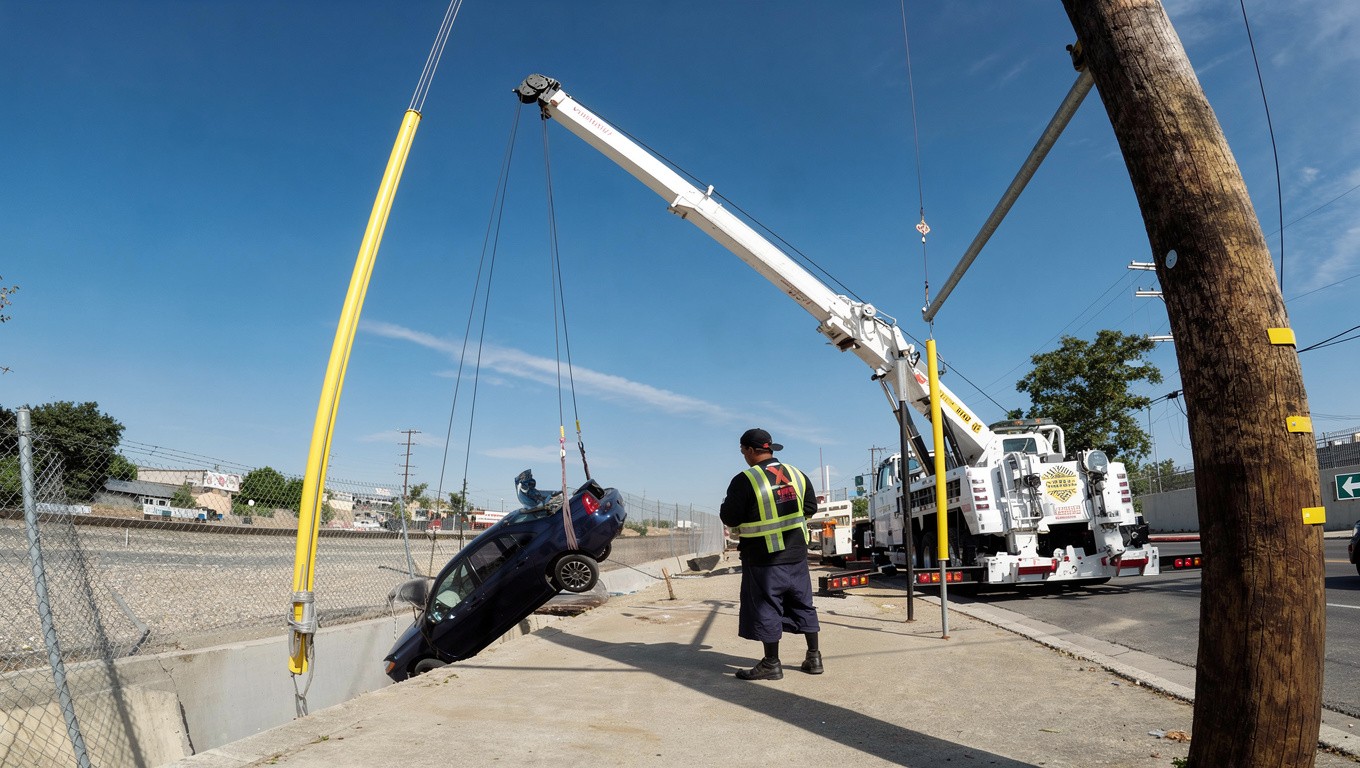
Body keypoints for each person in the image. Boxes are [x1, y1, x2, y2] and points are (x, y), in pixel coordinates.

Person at [719, 428, 822, 680]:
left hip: (763, 558)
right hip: (797, 554)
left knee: (766, 606)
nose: (743, 455)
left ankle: (771, 664)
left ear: (752, 450)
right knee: (803, 603)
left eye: (743, 450)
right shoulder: (797, 475)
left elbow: (730, 516)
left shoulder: (745, 480)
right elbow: (809, 508)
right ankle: (814, 658)